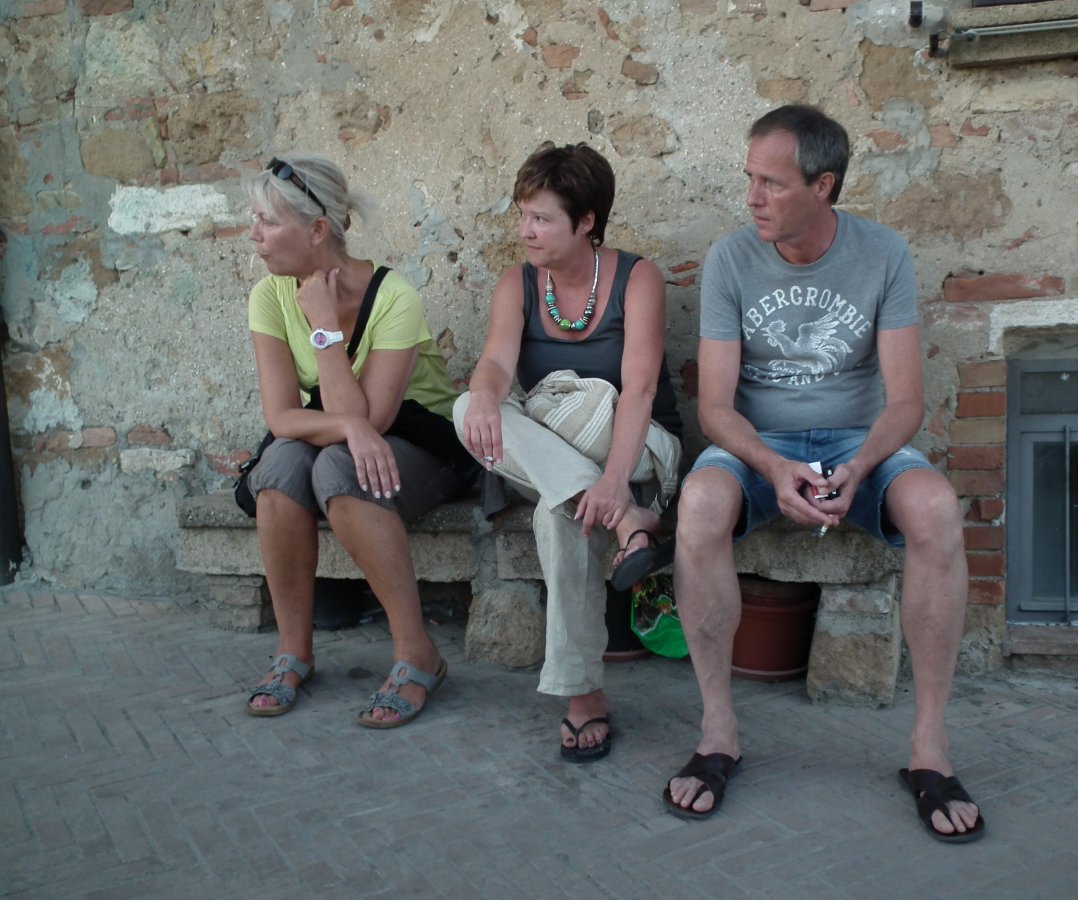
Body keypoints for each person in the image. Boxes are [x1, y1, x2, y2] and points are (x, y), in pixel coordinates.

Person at [658, 105, 985, 842]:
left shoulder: (882, 253)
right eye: (749, 178)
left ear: (823, 186)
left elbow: (906, 401)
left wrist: (859, 465)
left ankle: (930, 751)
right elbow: (715, 408)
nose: (752, 198)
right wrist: (775, 466)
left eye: (771, 183)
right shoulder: (731, 259)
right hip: (759, 441)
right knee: (701, 503)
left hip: (857, 440)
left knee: (936, 509)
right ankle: (718, 734)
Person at [455, 143, 682, 762]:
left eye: (541, 218)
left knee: (578, 418)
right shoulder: (518, 283)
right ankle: (583, 693)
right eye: (522, 215)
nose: (525, 231)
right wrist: (484, 396)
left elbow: (639, 389)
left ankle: (618, 505)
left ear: (586, 222)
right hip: (564, 466)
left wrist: (613, 482)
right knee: (474, 414)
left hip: (634, 452)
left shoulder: (638, 279)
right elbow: (496, 362)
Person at [243, 154, 474, 726]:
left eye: (268, 222)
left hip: (424, 445)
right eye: (254, 220)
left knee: (337, 470)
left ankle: (417, 653)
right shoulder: (269, 296)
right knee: (278, 467)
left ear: (317, 230)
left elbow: (373, 416)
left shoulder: (394, 296)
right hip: (346, 433)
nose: (254, 235)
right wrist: (347, 428)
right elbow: (282, 416)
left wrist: (324, 327)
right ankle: (293, 651)